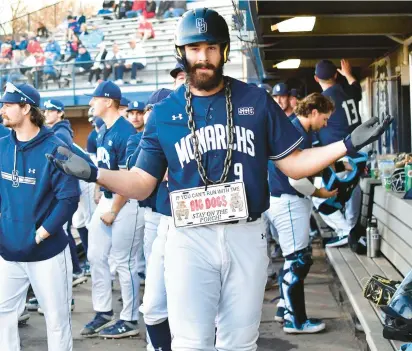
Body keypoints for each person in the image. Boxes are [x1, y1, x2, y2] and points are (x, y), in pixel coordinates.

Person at [47, 9, 390, 350]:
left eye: (212, 48)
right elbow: (142, 181)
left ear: (224, 51)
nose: (204, 58)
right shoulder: (165, 113)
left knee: (240, 342)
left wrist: (344, 145)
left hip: (246, 233)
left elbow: (294, 163)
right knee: (191, 342)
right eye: (195, 49)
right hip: (189, 239)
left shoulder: (255, 101)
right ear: (182, 53)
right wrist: (95, 174)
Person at [0, 83, 80, 350]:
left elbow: (69, 198)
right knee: (3, 316)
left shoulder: (57, 147)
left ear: (26, 108)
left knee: (57, 321)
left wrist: (40, 234)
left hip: (46, 252)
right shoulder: (2, 145)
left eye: (8, 105)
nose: (2, 110)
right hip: (8, 251)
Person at [75, 81, 143, 339]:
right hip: (108, 198)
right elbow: (105, 170)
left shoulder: (126, 132)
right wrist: (99, 192)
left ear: (108, 101)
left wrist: (113, 209)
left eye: (94, 98)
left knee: (124, 262)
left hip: (126, 201)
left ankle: (129, 317)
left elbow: (129, 178)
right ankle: (103, 311)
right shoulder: (103, 130)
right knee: (95, 256)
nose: (91, 103)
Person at [265, 93, 338, 334]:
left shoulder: (296, 129)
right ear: (314, 111)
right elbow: (296, 177)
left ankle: (284, 309)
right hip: (288, 200)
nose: (325, 124)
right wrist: (320, 193)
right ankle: (295, 321)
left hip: (284, 201)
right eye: (325, 118)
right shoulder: (296, 132)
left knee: (294, 258)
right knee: (297, 260)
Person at [312, 59, 364, 247]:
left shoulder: (322, 101)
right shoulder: (347, 91)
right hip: (358, 153)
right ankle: (350, 231)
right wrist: (348, 73)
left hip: (338, 157)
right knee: (352, 190)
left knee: (318, 197)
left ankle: (345, 231)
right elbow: (356, 88)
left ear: (316, 78)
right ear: (335, 74)